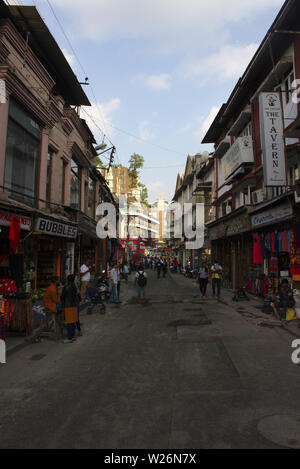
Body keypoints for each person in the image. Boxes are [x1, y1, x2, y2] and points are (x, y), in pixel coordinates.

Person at [61, 275, 79, 343]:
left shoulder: (66, 287)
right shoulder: (74, 286)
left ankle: (70, 338)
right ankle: (73, 336)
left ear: (67, 280)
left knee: (69, 322)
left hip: (68, 305)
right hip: (74, 305)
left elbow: (62, 296)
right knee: (73, 321)